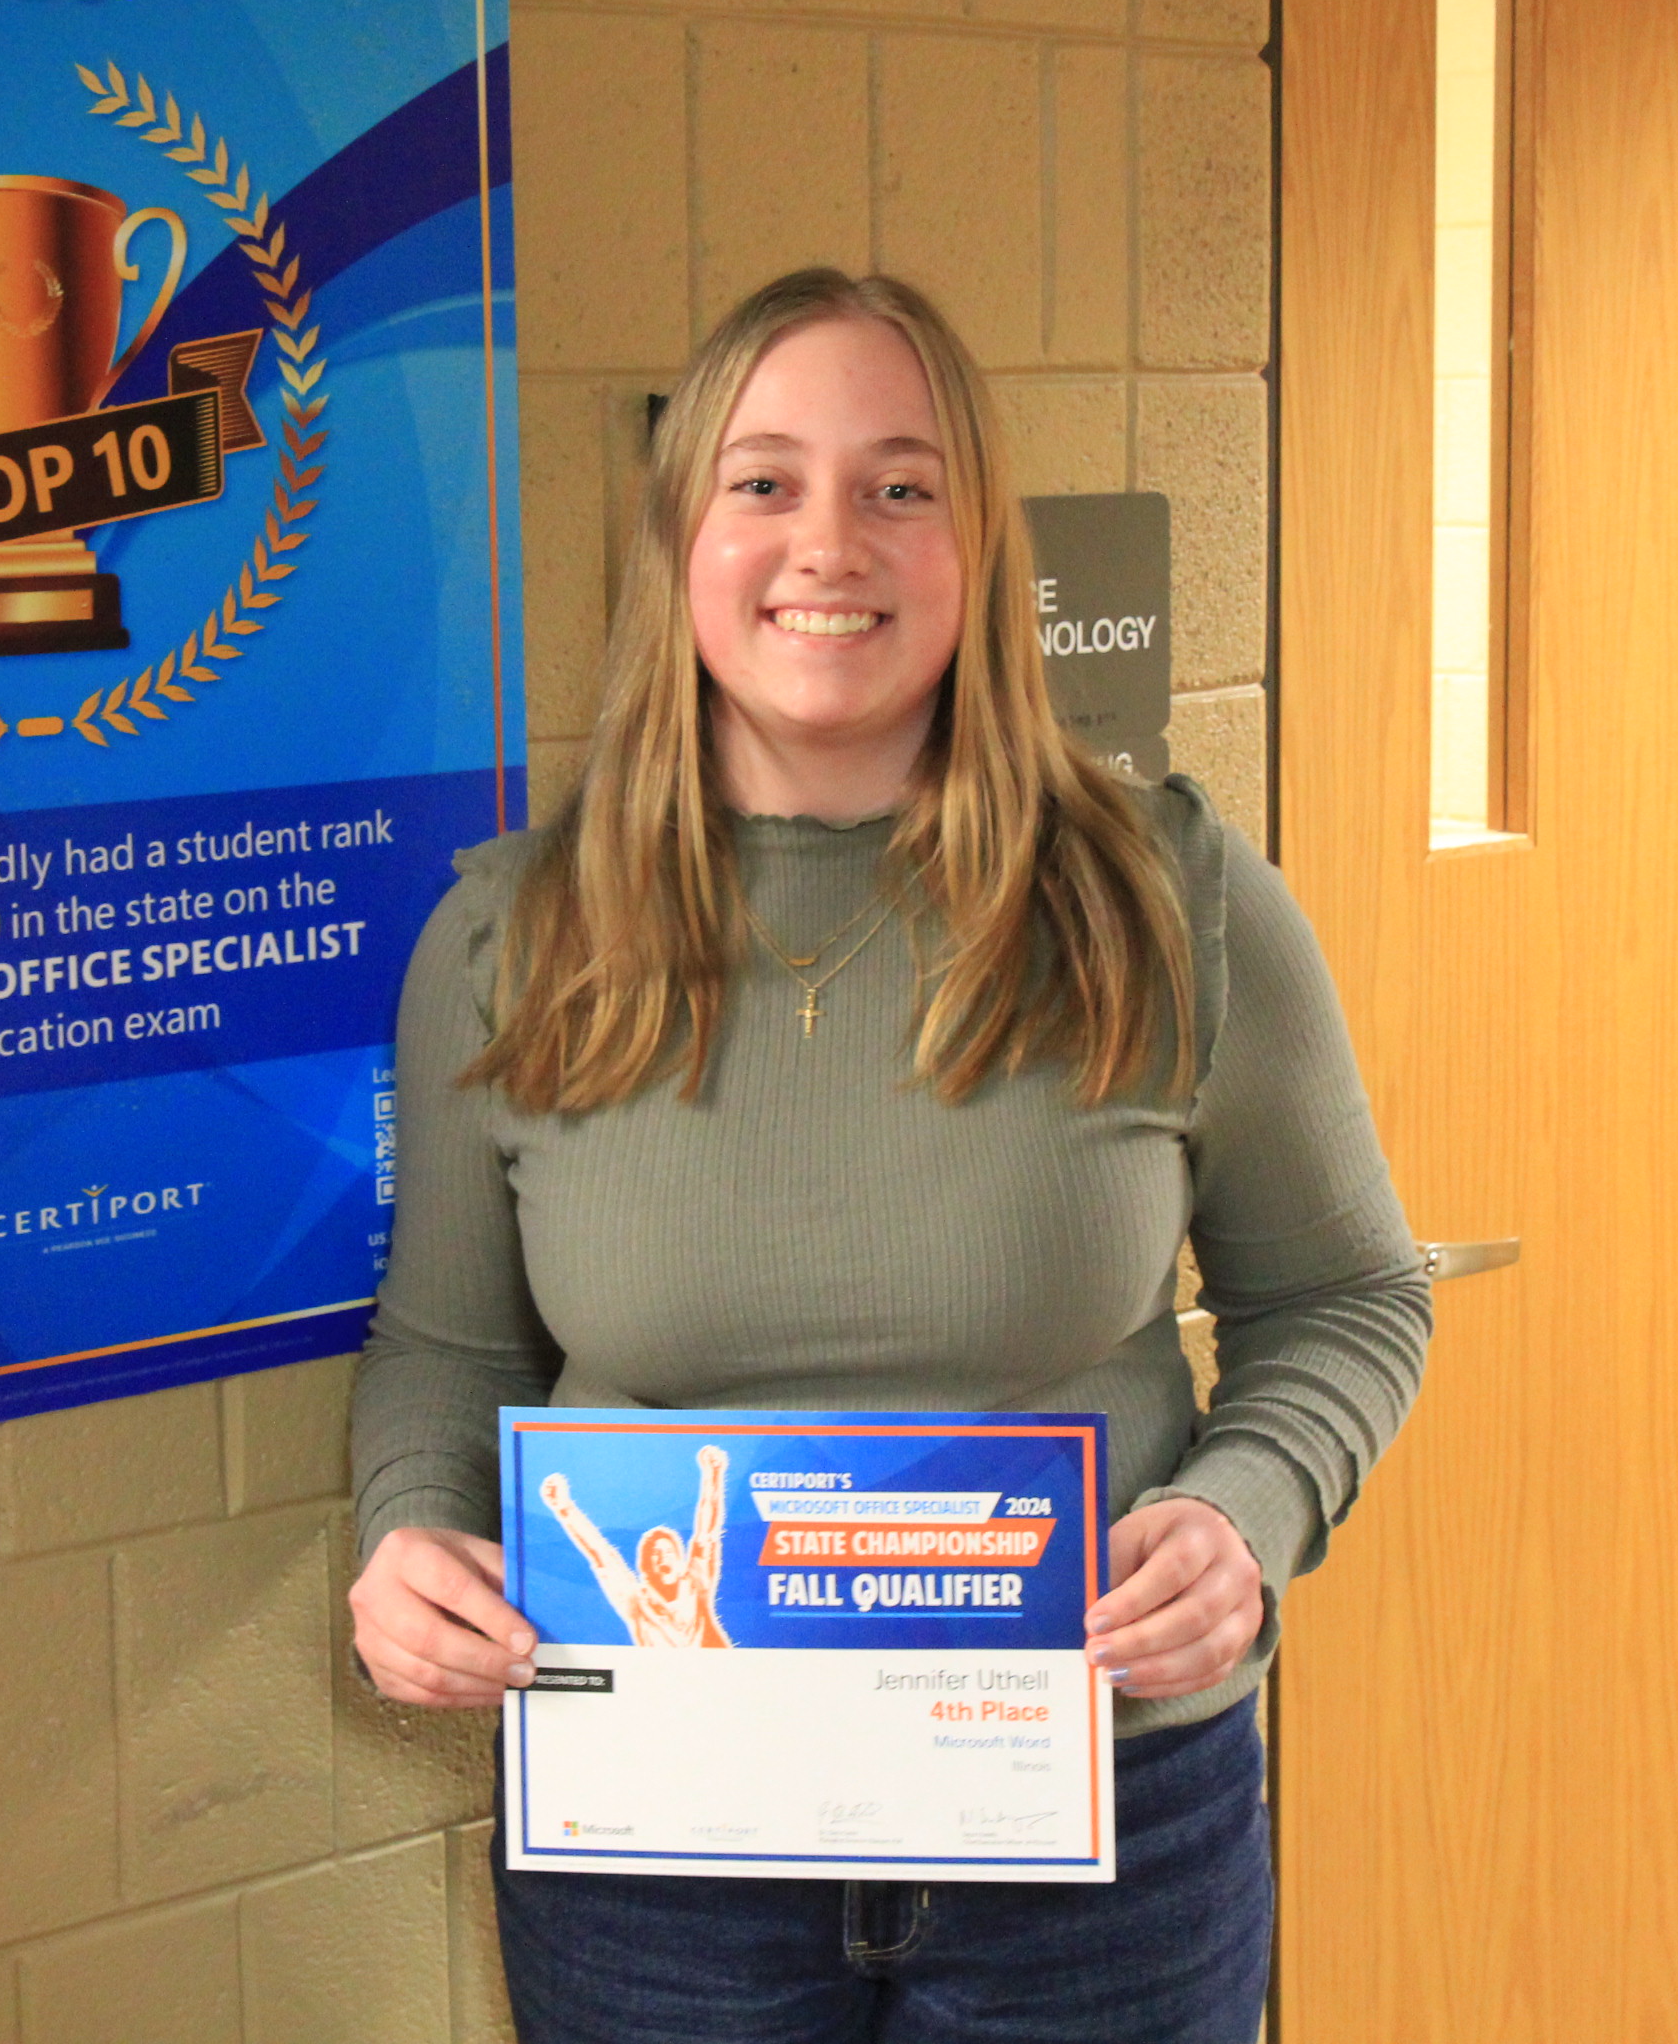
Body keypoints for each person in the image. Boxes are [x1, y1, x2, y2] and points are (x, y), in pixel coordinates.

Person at [345, 267, 1430, 2043]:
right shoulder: (512, 935)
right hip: (654, 1847)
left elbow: (1346, 1294)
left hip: (1099, 1834)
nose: (825, 540)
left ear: (978, 543)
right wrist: (411, 1541)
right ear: (680, 536)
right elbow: (450, 1349)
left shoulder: (1167, 899)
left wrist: (1247, 1515)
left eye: (898, 484)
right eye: (762, 480)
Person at [537, 1445, 736, 1648]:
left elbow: (707, 1531)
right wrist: (564, 1508)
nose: (662, 1559)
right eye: (655, 1555)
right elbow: (601, 1554)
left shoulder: (697, 1585)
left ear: (680, 1561)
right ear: (646, 1568)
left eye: (668, 1552)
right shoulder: (636, 1604)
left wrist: (713, 1475)